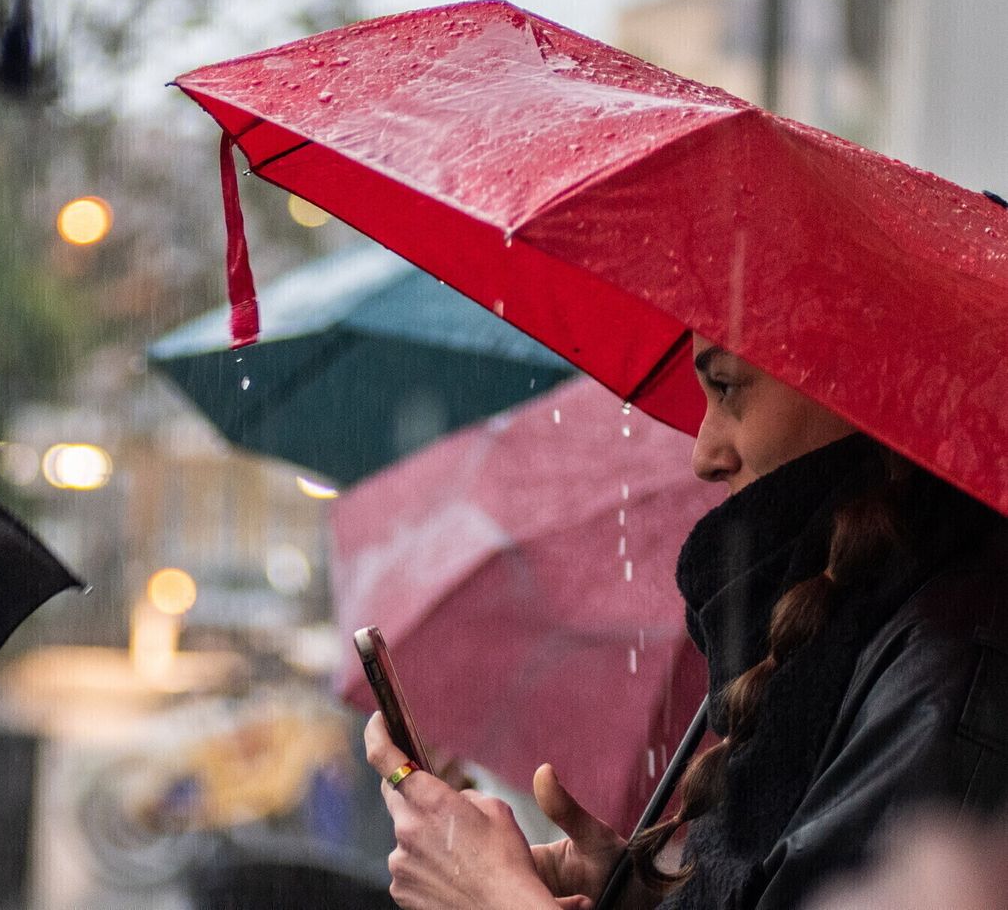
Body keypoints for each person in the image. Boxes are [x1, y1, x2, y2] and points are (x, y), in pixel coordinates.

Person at [364, 336, 1008, 909]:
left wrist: (492, 897)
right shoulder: (865, 642)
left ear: (862, 387)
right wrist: (648, 895)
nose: (703, 453)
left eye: (726, 387)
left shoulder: (947, 676)